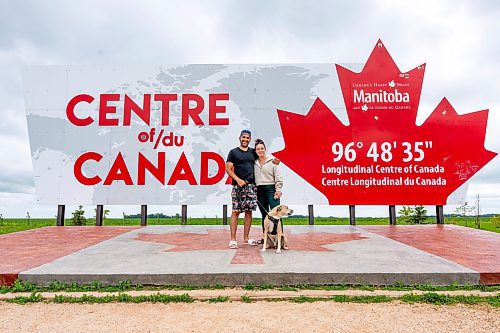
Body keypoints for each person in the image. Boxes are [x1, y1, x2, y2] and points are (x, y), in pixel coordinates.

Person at [225, 129, 259, 248]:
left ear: (250, 139)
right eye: (243, 137)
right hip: (237, 186)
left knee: (248, 212)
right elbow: (228, 169)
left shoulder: (253, 152)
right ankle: (233, 239)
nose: (245, 139)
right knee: (235, 211)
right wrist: (238, 179)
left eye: (247, 138)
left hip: (250, 186)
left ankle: (246, 238)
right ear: (239, 138)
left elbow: (263, 160)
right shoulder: (233, 152)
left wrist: (275, 162)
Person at [254, 139, 284, 246]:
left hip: (271, 189)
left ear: (265, 149)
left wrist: (278, 190)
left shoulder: (272, 161)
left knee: (277, 214)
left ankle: (281, 239)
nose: (260, 150)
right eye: (258, 149)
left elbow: (278, 176)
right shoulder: (254, 162)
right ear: (255, 151)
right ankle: (266, 239)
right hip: (259, 191)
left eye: (262, 148)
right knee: (265, 215)